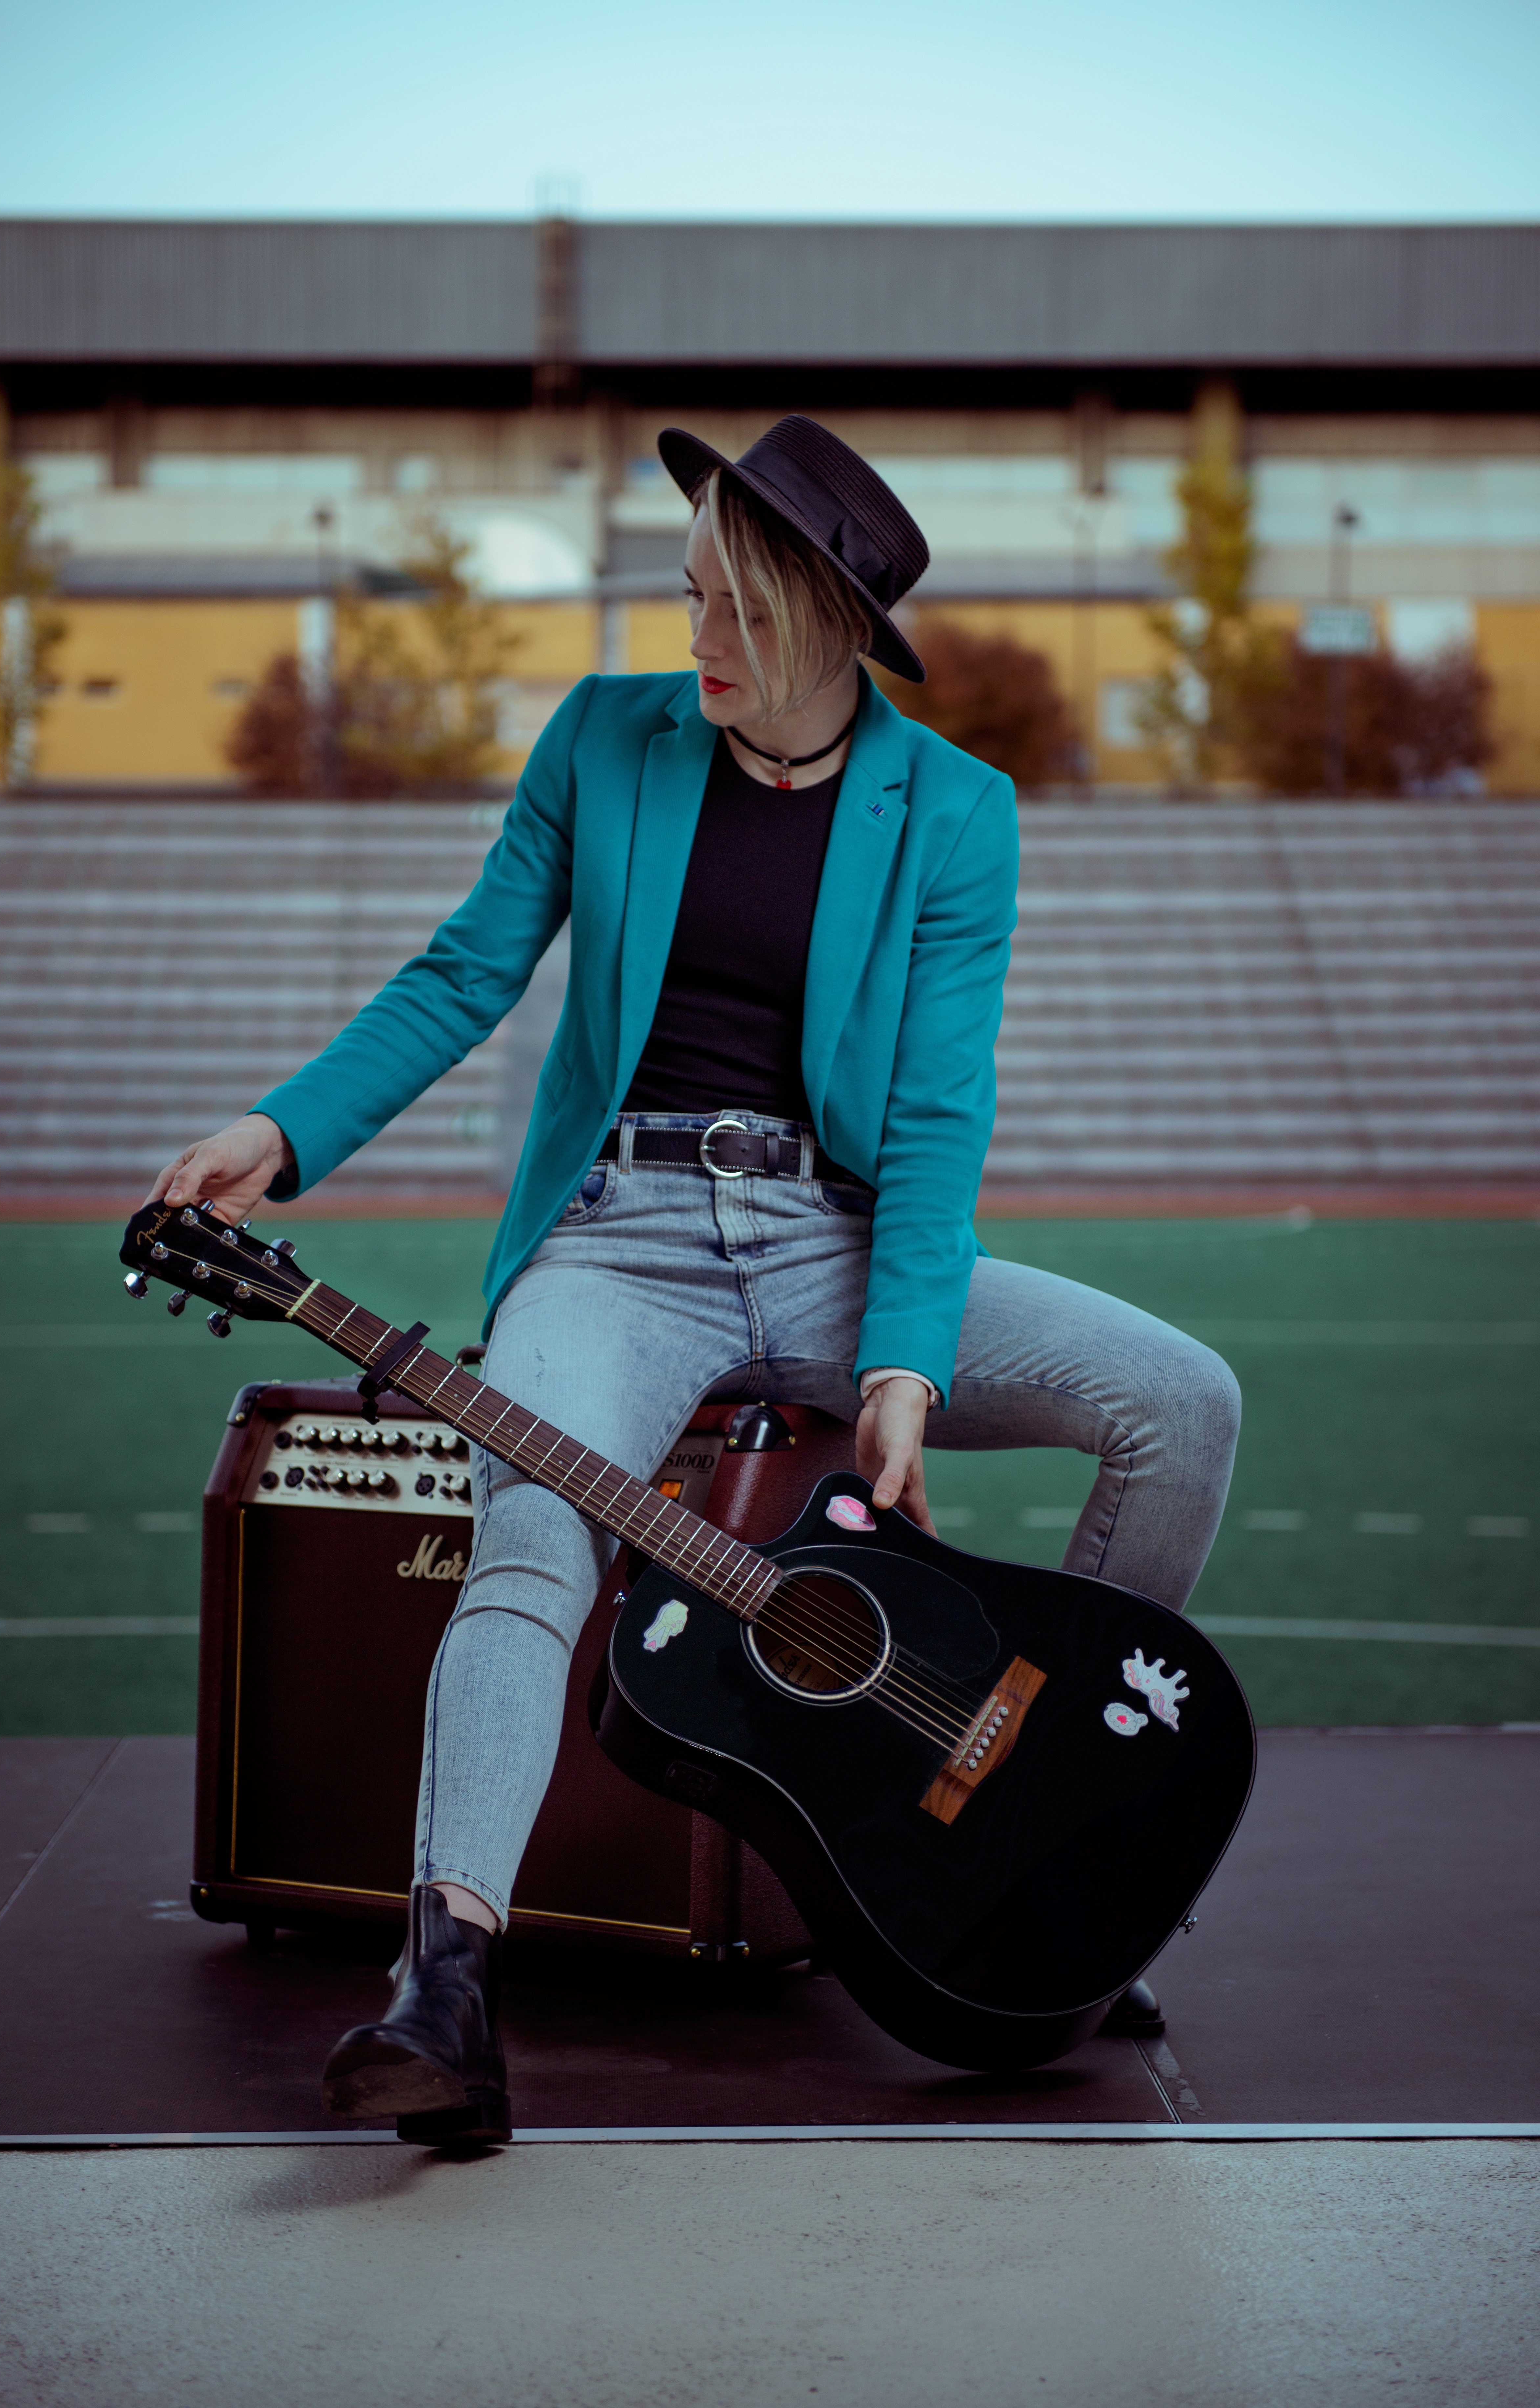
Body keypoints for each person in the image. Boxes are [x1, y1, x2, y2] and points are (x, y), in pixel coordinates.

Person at [147, 416, 1240, 2142]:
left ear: (828, 625)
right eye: (690, 599)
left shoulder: (958, 814)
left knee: (1182, 1402)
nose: (699, 642)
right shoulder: (603, 738)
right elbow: (466, 973)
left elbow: (943, 1111)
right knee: (528, 1525)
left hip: (839, 1242)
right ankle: (445, 1989)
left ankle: (1064, 1829)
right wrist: (281, 1133)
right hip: (617, 1243)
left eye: (734, 610)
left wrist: (905, 1368)